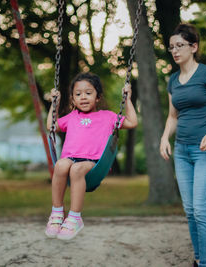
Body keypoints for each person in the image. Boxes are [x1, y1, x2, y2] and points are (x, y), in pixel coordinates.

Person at [159, 24, 206, 267]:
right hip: (182, 152)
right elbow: (173, 116)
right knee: (190, 211)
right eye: (171, 47)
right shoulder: (173, 81)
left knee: (201, 210)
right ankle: (199, 258)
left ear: (194, 46)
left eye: (180, 45)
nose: (175, 51)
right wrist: (164, 138)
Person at [45, 72, 138, 240]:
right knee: (60, 165)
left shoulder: (108, 116)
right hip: (70, 159)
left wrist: (128, 99)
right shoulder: (72, 117)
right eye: (78, 94)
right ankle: (57, 214)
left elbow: (132, 122)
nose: (83, 97)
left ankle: (74, 218)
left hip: (93, 164)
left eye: (88, 93)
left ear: (98, 97)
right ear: (72, 99)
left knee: (77, 169)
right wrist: (55, 104)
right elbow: (51, 126)